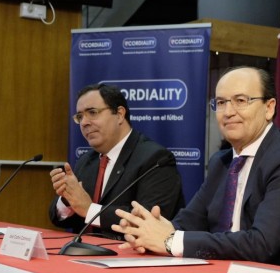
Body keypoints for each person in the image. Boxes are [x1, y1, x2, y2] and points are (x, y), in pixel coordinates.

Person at [111, 66, 280, 271]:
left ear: (269, 108)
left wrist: (170, 240)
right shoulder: (223, 161)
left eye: (240, 100)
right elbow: (188, 221)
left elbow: (261, 244)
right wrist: (149, 230)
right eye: (220, 103)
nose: (228, 112)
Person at [49, 83, 184, 238]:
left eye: (92, 112)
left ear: (119, 114)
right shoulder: (87, 161)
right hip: (83, 255)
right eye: (80, 116)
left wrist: (89, 209)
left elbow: (150, 222)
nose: (84, 122)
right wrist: (68, 200)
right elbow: (58, 219)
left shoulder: (155, 159)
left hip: (131, 258)